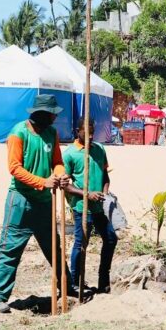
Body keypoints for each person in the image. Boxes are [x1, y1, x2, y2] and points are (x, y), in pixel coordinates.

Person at [0, 95, 73, 313]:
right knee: (9, 248)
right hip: (21, 201)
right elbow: (14, 168)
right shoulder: (18, 133)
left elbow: (57, 162)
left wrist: (60, 175)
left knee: (54, 247)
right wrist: (42, 182)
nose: (55, 118)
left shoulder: (52, 133)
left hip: (45, 202)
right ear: (40, 114)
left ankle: (67, 287)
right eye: (52, 114)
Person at [63, 121, 117, 294]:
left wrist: (105, 194)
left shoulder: (99, 149)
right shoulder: (70, 154)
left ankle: (103, 280)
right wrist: (87, 194)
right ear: (77, 131)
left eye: (93, 133)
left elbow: (105, 175)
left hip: (100, 207)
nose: (91, 136)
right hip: (82, 207)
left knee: (111, 238)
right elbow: (66, 185)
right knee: (81, 244)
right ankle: (75, 282)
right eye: (87, 133)